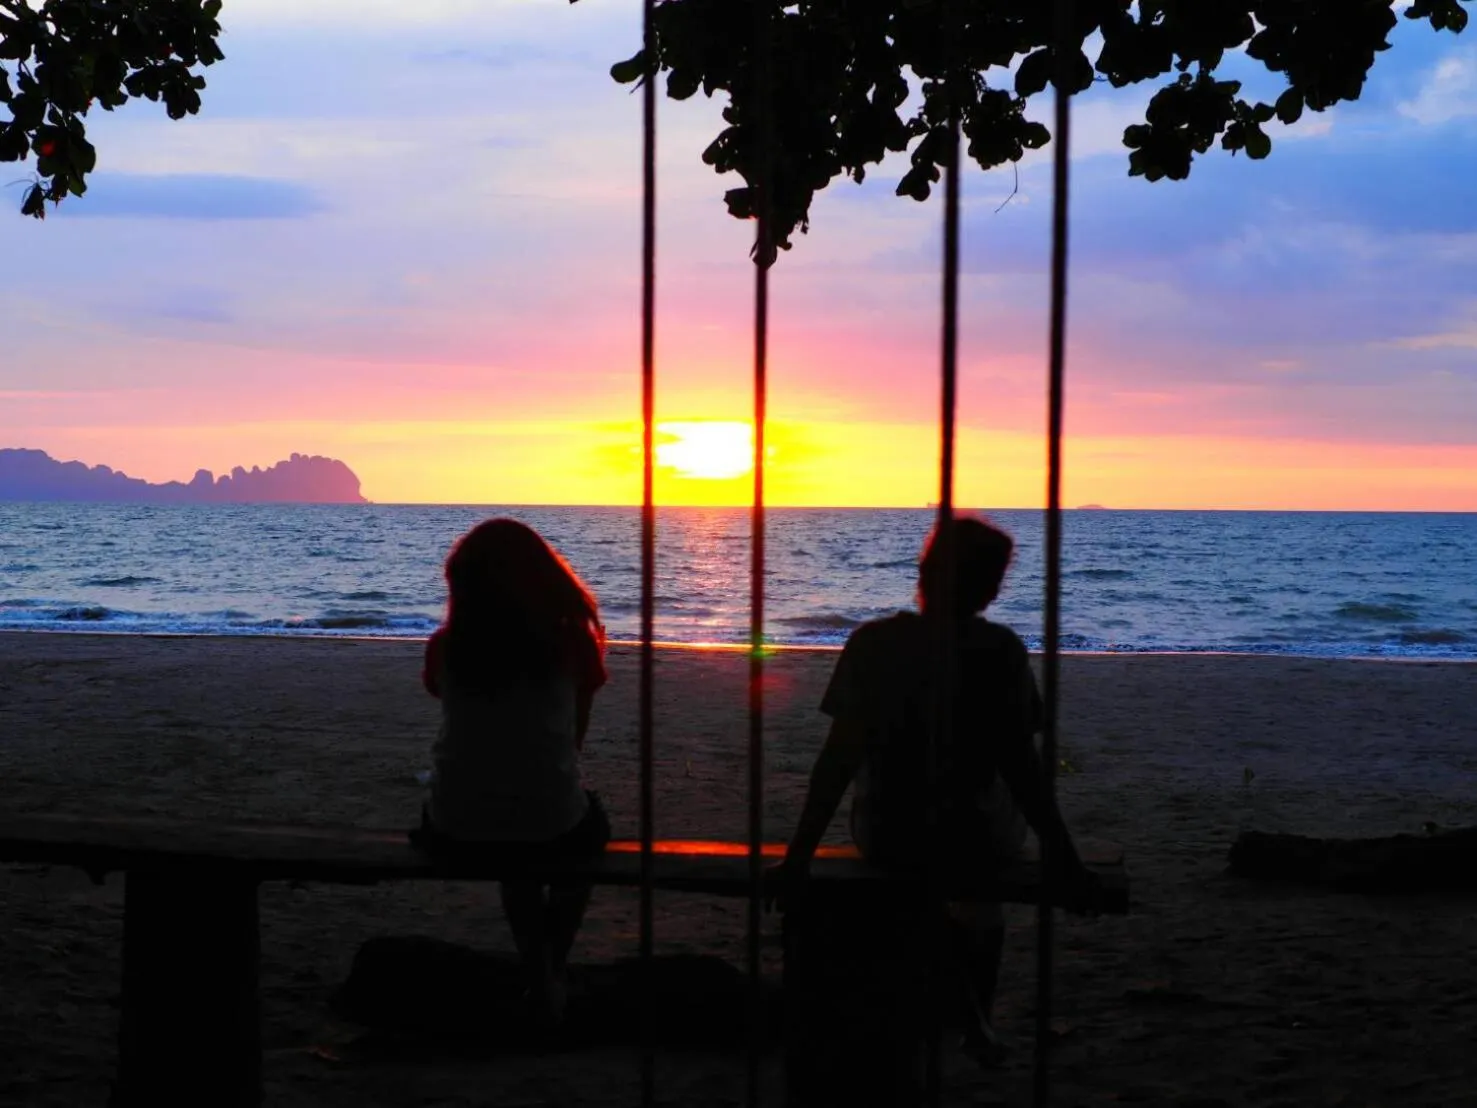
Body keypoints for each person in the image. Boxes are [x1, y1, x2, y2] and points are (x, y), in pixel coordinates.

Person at [770, 514, 1097, 1064]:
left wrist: (799, 854)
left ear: (923, 571)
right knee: (983, 892)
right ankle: (976, 1018)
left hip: (885, 828)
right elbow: (1022, 770)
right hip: (975, 834)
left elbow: (837, 760)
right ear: (991, 587)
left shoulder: (873, 643)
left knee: (921, 875)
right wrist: (1064, 856)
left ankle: (948, 1009)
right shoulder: (1000, 650)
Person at [412, 517, 611, 1028]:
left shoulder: (449, 646)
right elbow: (573, 741)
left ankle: (541, 977)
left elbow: (443, 697)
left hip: (456, 825)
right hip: (550, 821)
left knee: (515, 853)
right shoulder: (572, 645)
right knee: (579, 839)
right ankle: (549, 973)